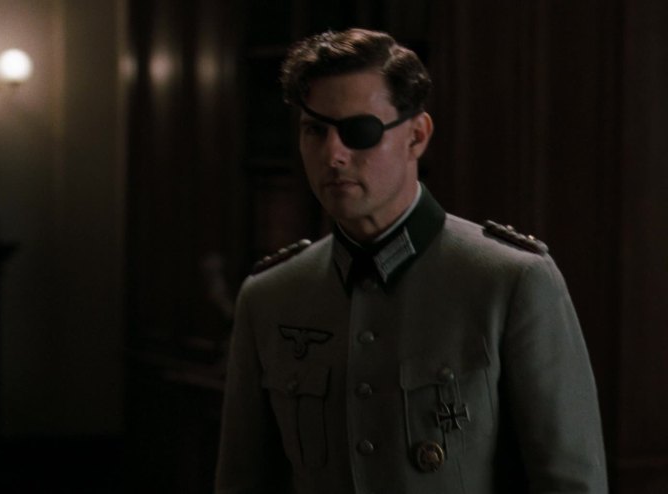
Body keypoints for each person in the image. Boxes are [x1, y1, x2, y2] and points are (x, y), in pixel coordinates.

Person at [215, 28, 607, 493]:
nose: (333, 154)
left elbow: (571, 483)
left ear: (416, 137)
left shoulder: (510, 281)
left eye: (359, 131)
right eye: (315, 130)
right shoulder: (271, 296)